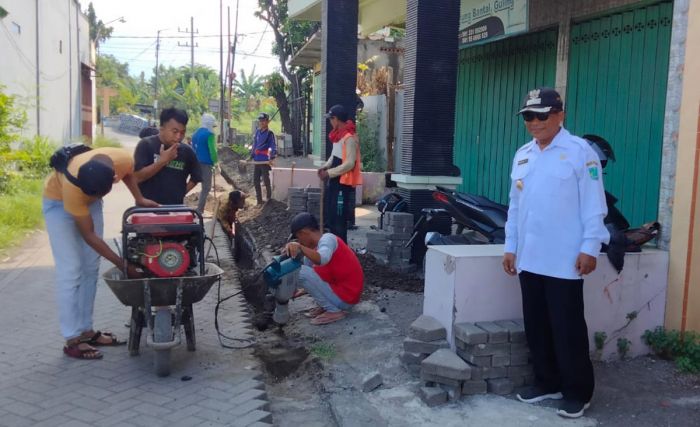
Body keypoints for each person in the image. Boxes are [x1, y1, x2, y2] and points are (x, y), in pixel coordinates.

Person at [503, 87, 609, 419]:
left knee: (567, 328)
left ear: (560, 115)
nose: (535, 123)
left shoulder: (581, 153)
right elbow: (515, 207)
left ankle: (578, 391)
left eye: (542, 115)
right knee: (537, 325)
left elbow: (594, 205)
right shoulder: (523, 154)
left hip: (565, 259)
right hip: (530, 257)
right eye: (528, 117)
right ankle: (546, 382)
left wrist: (590, 247)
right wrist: (510, 247)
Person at [43, 147, 158, 360]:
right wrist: (124, 265)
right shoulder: (73, 188)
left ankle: (87, 330)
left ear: (112, 178)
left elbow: (129, 174)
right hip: (59, 203)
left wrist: (139, 198)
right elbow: (90, 236)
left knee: (91, 266)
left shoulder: (121, 159)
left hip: (88, 199)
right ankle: (72, 339)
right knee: (71, 269)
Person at [284, 212, 364, 325]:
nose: (299, 241)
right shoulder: (317, 248)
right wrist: (303, 290)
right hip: (341, 293)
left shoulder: (328, 239)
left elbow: (323, 259)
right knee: (307, 261)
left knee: (300, 271)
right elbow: (318, 274)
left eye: (298, 237)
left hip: (346, 298)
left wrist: (300, 247)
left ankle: (333, 311)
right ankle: (326, 306)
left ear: (304, 232)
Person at [133, 107, 202, 205]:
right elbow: (136, 178)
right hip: (146, 210)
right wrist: (162, 161)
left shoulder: (187, 151)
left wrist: (180, 193)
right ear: (161, 129)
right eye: (174, 131)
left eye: (182, 132)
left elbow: (196, 177)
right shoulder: (146, 145)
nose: (178, 137)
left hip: (174, 209)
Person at [318, 104, 362, 241]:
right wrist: (325, 167)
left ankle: (342, 248)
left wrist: (329, 173)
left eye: (331, 119)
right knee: (331, 215)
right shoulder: (338, 136)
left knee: (339, 218)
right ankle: (333, 246)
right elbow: (334, 156)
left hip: (343, 183)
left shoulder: (349, 138)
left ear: (336, 119)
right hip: (334, 180)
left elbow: (349, 164)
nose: (330, 122)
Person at [192, 113, 219, 214]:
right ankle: (200, 209)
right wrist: (216, 162)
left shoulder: (196, 133)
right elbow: (212, 150)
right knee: (206, 187)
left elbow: (193, 147)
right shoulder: (209, 135)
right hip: (206, 163)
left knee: (193, 182)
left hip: (195, 162)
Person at [250, 112, 276, 205]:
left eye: (263, 121)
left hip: (264, 160)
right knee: (256, 181)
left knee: (266, 180)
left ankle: (269, 199)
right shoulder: (257, 132)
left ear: (267, 121)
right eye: (260, 121)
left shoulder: (270, 134)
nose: (261, 122)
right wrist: (251, 155)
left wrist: (272, 156)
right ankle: (259, 201)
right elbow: (255, 145)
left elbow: (272, 146)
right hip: (257, 160)